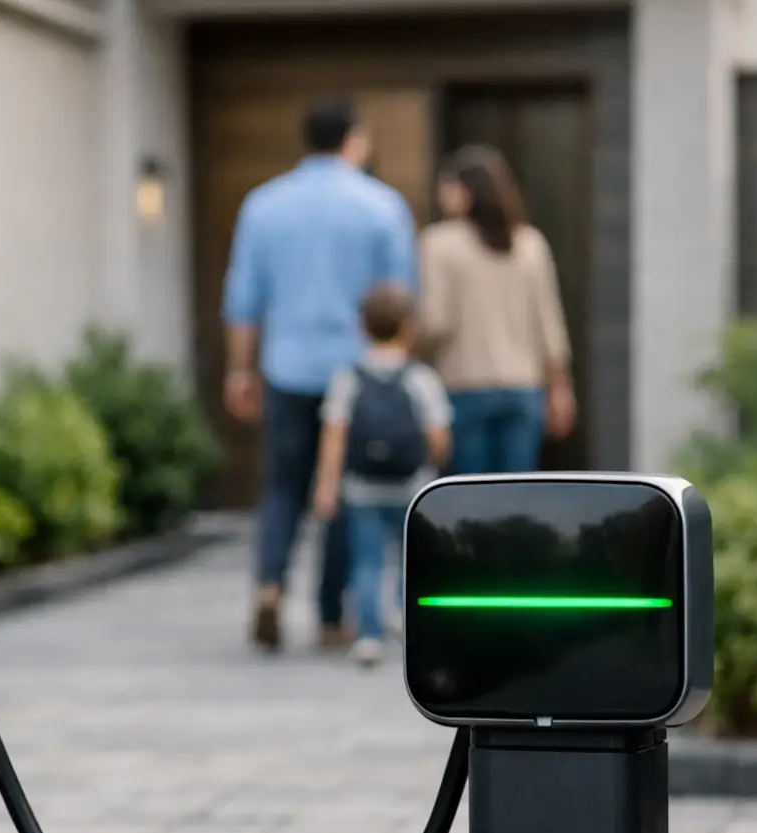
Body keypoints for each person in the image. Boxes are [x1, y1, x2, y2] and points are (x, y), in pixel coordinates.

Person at [222, 96, 418, 652]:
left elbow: (243, 298)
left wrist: (240, 369)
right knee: (344, 493)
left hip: (286, 366)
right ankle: (332, 615)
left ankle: (268, 584)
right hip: (355, 375)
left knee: (284, 485)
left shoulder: (264, 205)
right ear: (354, 139)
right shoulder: (382, 206)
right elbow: (400, 300)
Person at [312, 284, 451, 667]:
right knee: (412, 559)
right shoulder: (420, 378)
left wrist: (326, 487)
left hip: (362, 487)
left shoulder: (348, 379)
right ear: (408, 327)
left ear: (362, 326)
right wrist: (434, 468)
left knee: (367, 560)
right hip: (412, 485)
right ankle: (408, 620)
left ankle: (369, 636)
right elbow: (438, 436)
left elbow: (334, 437)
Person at [418, 145, 576, 475]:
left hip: (465, 388)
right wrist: (560, 389)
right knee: (514, 498)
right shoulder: (530, 243)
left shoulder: (440, 243)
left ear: (466, 192)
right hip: (524, 389)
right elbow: (549, 325)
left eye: (448, 186)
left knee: (472, 502)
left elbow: (435, 322)